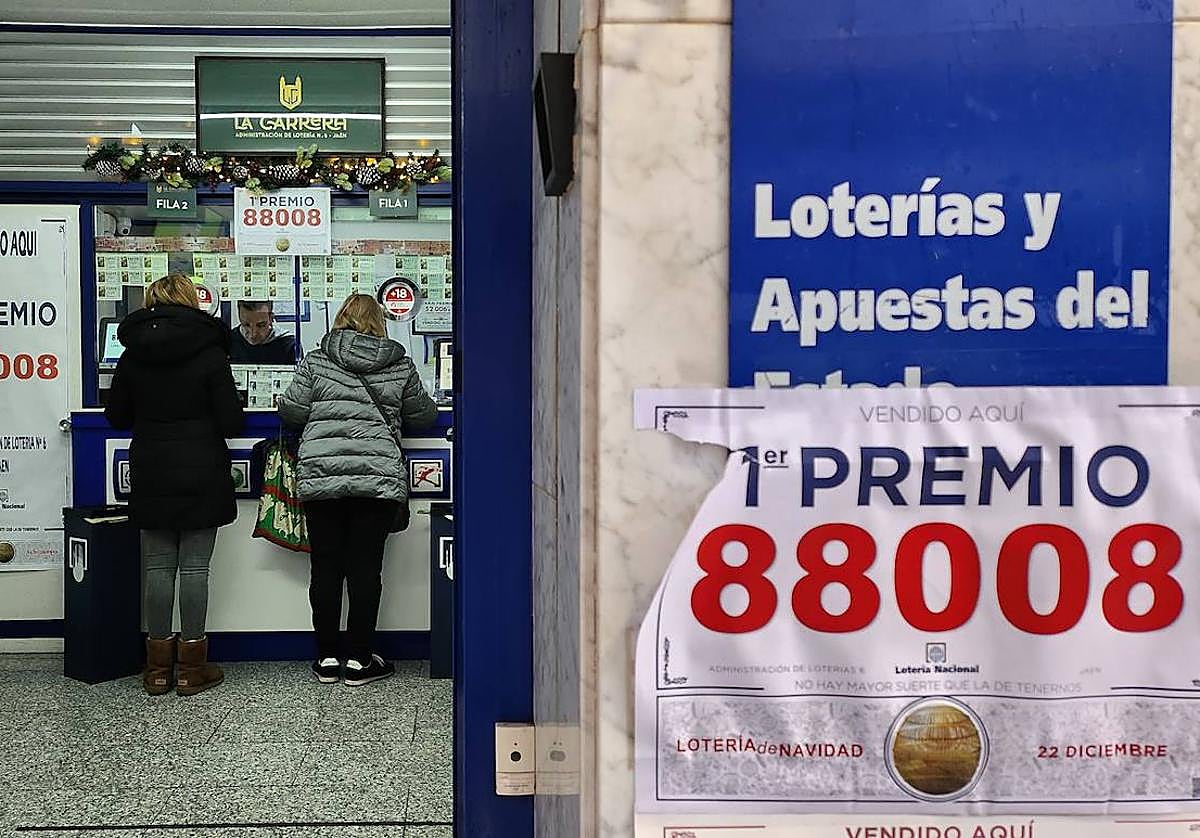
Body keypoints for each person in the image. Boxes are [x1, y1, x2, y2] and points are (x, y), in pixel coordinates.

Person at [278, 294, 437, 685]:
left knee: (326, 569)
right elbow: (425, 414)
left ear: (340, 319)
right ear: (380, 323)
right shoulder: (399, 364)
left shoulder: (316, 360)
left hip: (322, 477)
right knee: (366, 571)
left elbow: (292, 411)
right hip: (375, 478)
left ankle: (328, 658)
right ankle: (360, 660)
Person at [105, 274, 244, 696]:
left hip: (151, 463)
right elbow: (231, 421)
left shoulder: (132, 353)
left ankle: (157, 669)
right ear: (191, 301)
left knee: (158, 567)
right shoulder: (210, 351)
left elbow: (116, 416)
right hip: (201, 463)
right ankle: (191, 668)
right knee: (195, 567)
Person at [229, 300, 297, 365]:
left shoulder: (289, 345)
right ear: (239, 317)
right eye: (246, 325)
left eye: (261, 325)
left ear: (271, 318)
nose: (253, 334)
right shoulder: (229, 341)